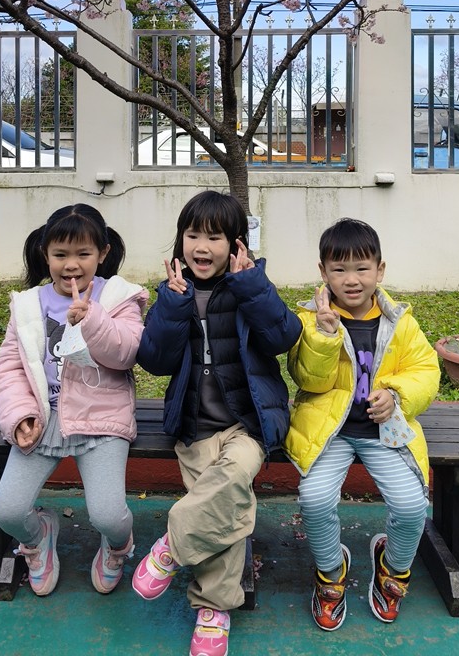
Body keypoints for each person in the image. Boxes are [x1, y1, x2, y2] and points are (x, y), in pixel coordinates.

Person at [131, 190, 301, 656]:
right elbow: (155, 361)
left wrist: (252, 285)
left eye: (215, 237)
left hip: (248, 423)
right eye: (193, 236)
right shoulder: (173, 294)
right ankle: (214, 610)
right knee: (225, 504)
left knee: (230, 479)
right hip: (195, 425)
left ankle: (172, 549)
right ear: (180, 241)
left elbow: (284, 336)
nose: (202, 247)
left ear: (236, 244)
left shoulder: (249, 286)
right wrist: (172, 306)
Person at [285, 218, 440, 631]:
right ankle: (330, 572)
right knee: (314, 499)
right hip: (330, 433)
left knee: (412, 505)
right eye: (339, 269)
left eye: (361, 268)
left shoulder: (399, 321)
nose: (351, 280)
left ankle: (393, 567)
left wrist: (398, 395)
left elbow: (426, 370)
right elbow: (308, 380)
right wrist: (323, 336)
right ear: (323, 272)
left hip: (384, 432)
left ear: (380, 270)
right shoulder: (311, 320)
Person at [0, 204, 148, 597]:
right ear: (45, 254)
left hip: (102, 420)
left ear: (103, 253)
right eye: (60, 254)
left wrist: (92, 319)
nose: (71, 265)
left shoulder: (119, 297)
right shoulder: (29, 304)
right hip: (44, 421)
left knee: (109, 517)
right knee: (7, 511)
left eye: (83, 254)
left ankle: (117, 548)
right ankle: (39, 536)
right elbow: (9, 369)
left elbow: (127, 353)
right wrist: (20, 415)